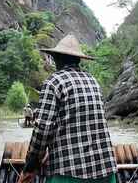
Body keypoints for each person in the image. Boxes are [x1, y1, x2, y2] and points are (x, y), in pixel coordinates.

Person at [18, 35, 117, 183]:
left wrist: (30, 167)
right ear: (78, 59)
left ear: (56, 58)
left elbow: (43, 129)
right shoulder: (93, 81)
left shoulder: (54, 82)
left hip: (68, 173)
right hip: (105, 170)